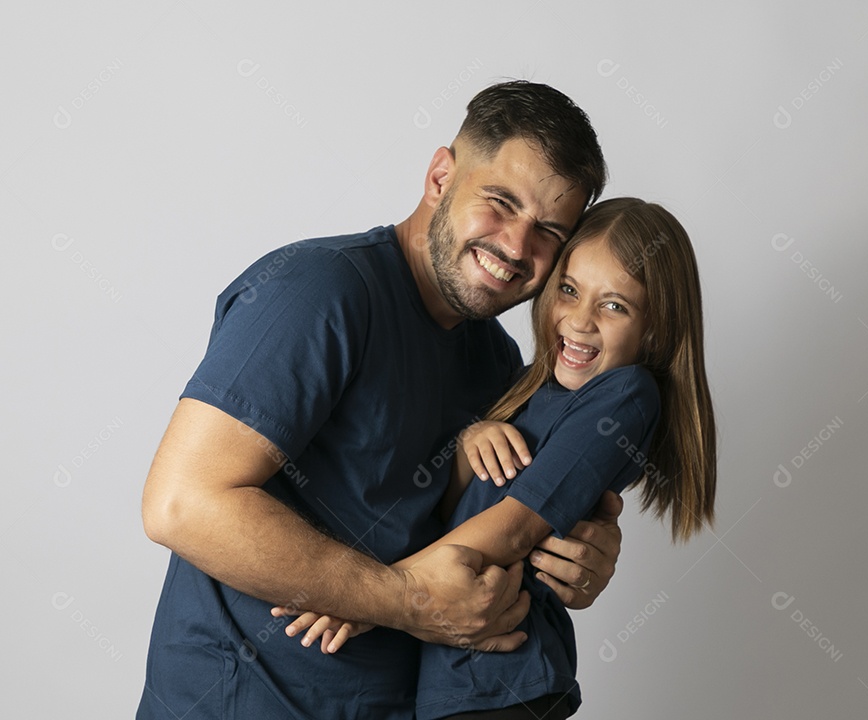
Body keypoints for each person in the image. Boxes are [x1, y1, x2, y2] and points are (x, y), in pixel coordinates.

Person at [137, 81, 627, 720]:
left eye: (548, 232)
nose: (515, 245)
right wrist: (406, 599)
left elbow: (478, 540)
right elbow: (182, 504)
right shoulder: (320, 292)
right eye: (500, 203)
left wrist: (574, 552)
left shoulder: (500, 365)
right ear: (440, 177)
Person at [276, 198, 718, 719]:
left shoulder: (626, 395)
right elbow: (446, 517)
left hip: (508, 680)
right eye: (570, 291)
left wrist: (369, 602)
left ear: (658, 329)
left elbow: (513, 529)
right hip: (448, 682)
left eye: (614, 305)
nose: (579, 321)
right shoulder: (527, 389)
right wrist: (471, 444)